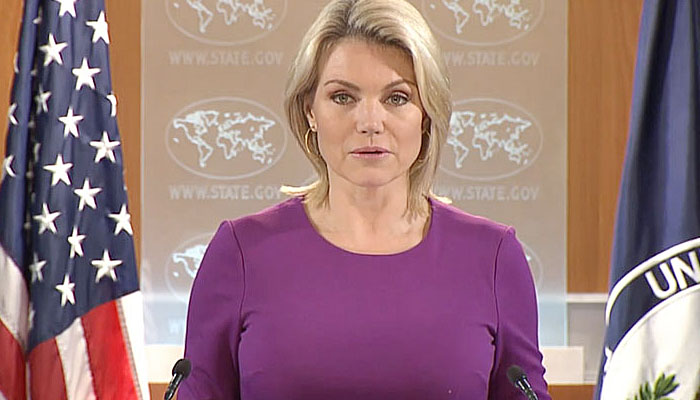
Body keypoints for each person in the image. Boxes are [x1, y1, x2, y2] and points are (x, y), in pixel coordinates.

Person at [179, 0, 551, 398]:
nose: (370, 123)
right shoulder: (241, 253)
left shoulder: (493, 257)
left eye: (397, 98)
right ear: (309, 111)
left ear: (427, 114)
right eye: (343, 97)